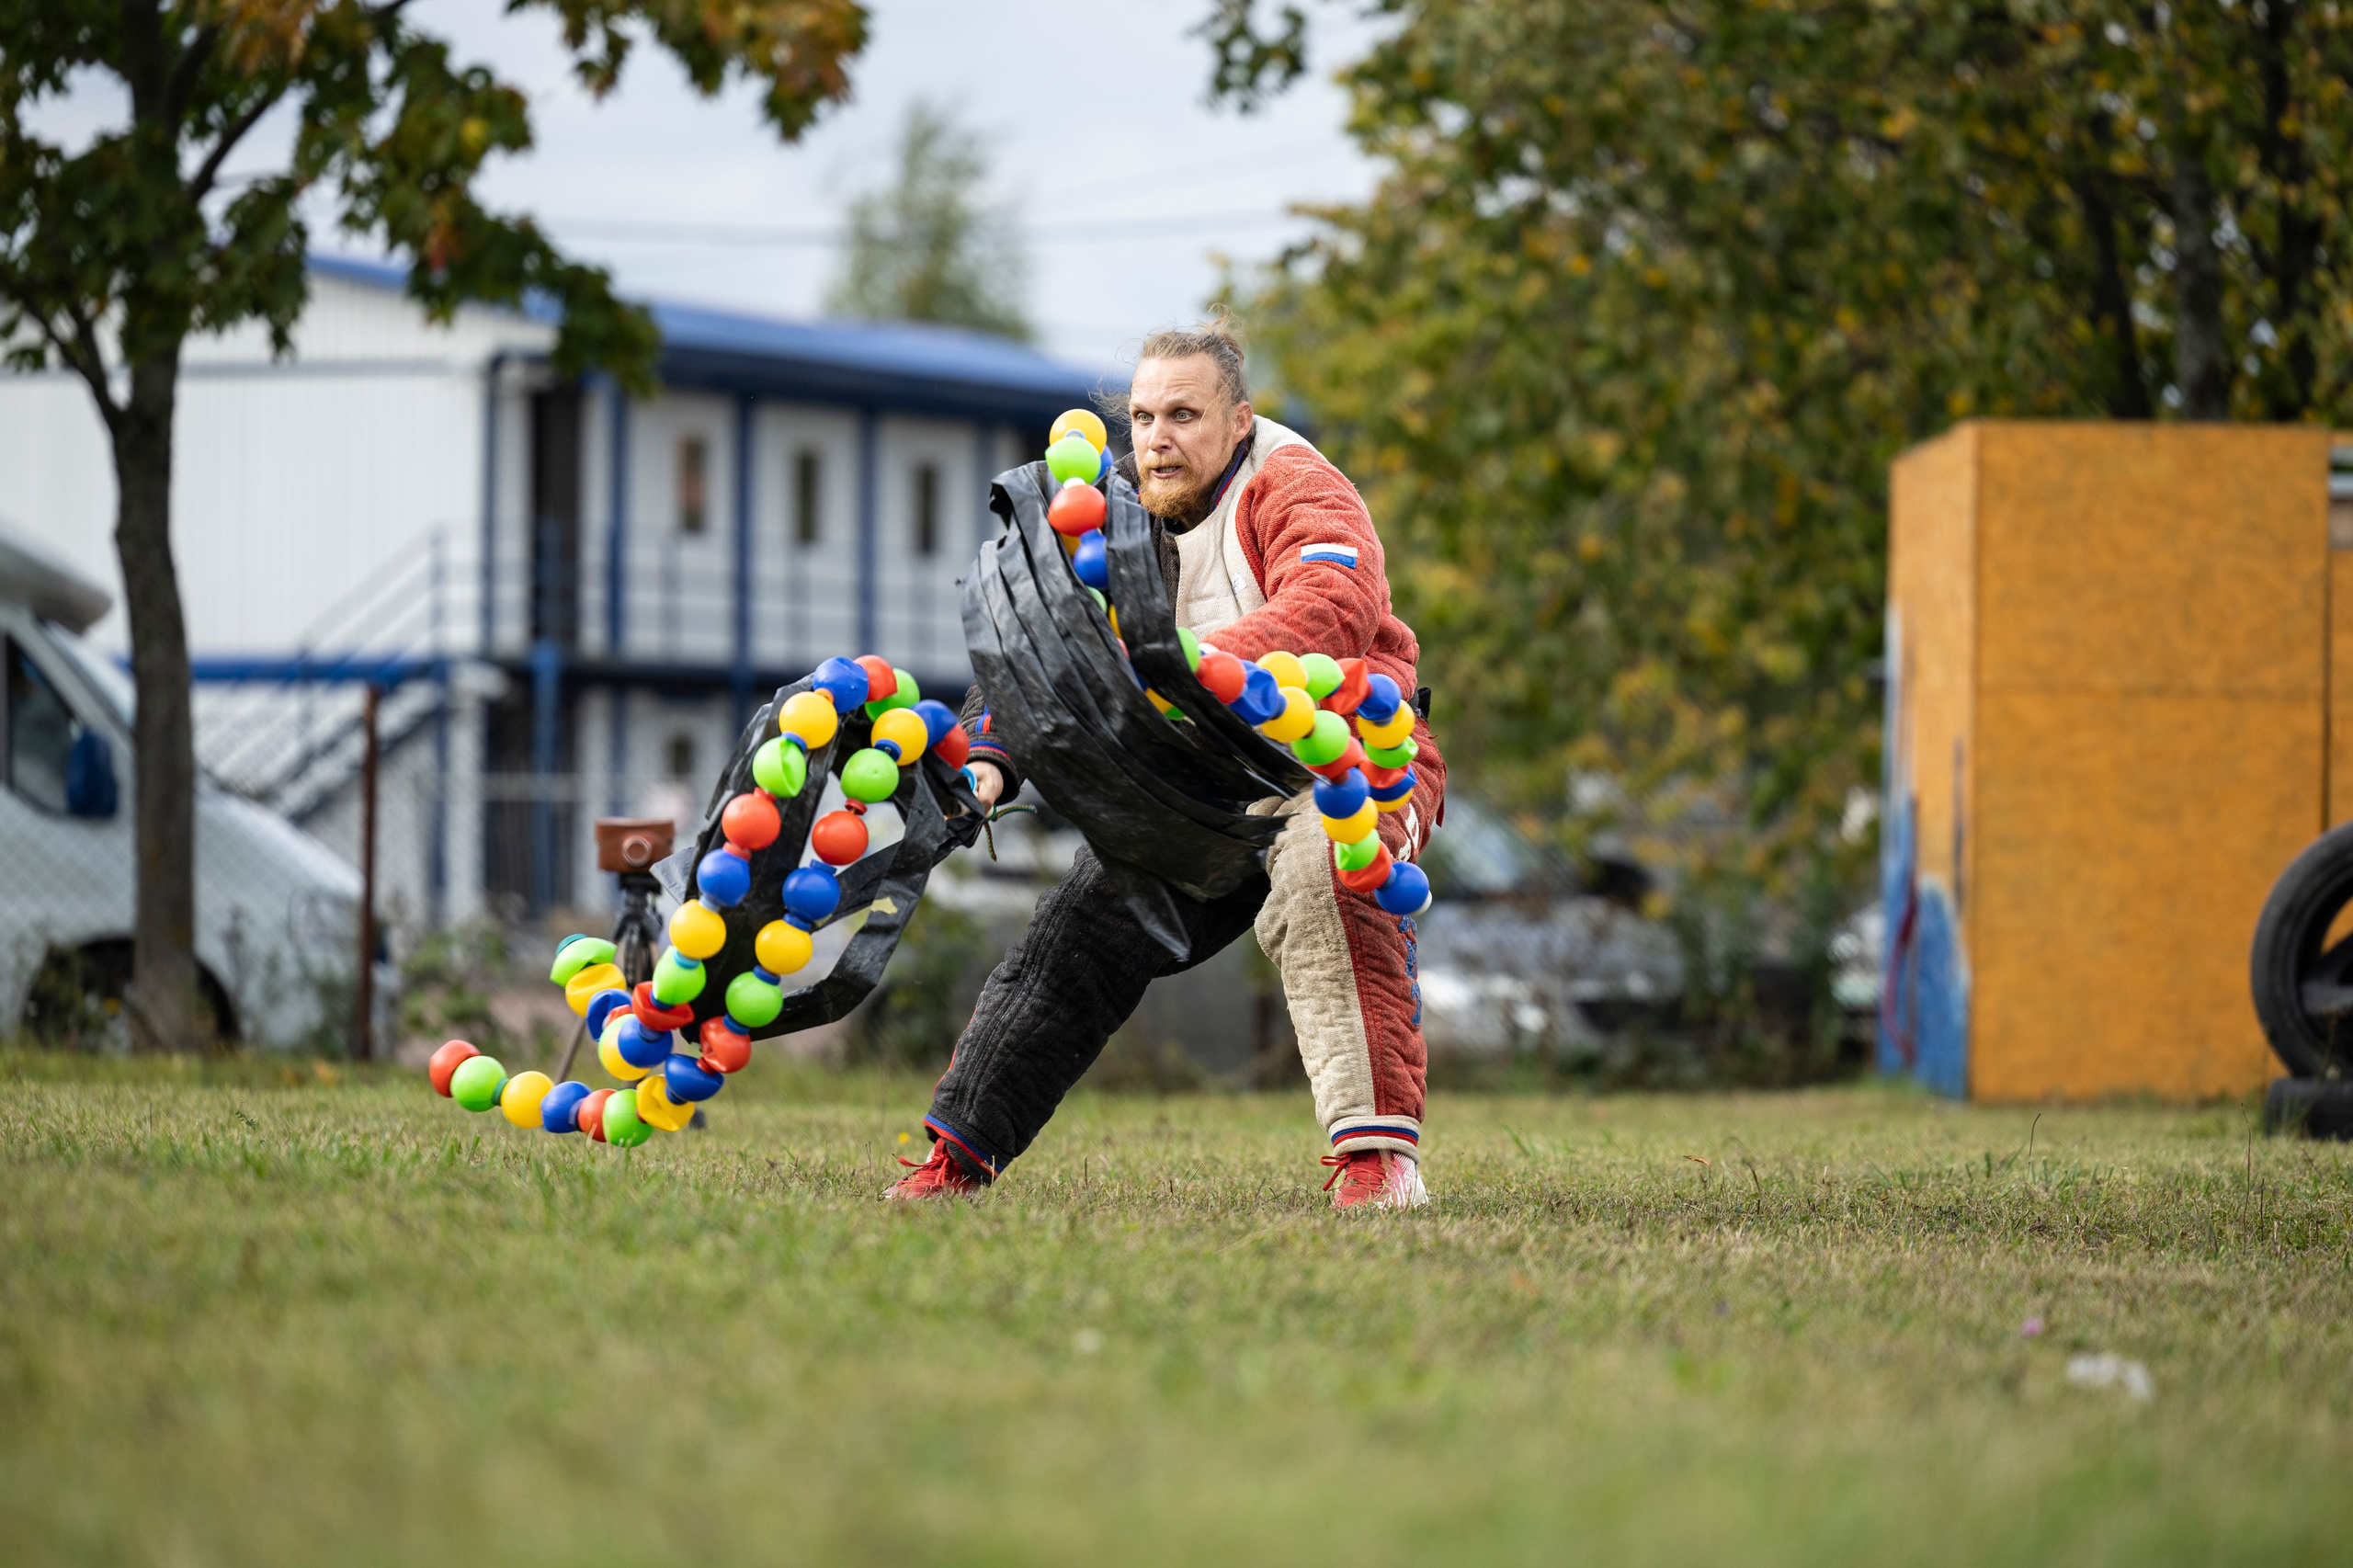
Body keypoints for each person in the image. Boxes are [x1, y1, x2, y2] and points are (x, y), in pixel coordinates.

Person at [888, 319, 1445, 1210]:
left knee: (1324, 876)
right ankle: (955, 1159)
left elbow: (1330, 605)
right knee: (1076, 935)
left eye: (1183, 413)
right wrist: (985, 763)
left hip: (1348, 758)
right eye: (1143, 416)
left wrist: (1171, 666)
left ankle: (1378, 1166)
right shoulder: (1107, 513)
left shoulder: (1296, 484)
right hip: (1204, 777)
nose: (1156, 437)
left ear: (1237, 422)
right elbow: (1045, 646)